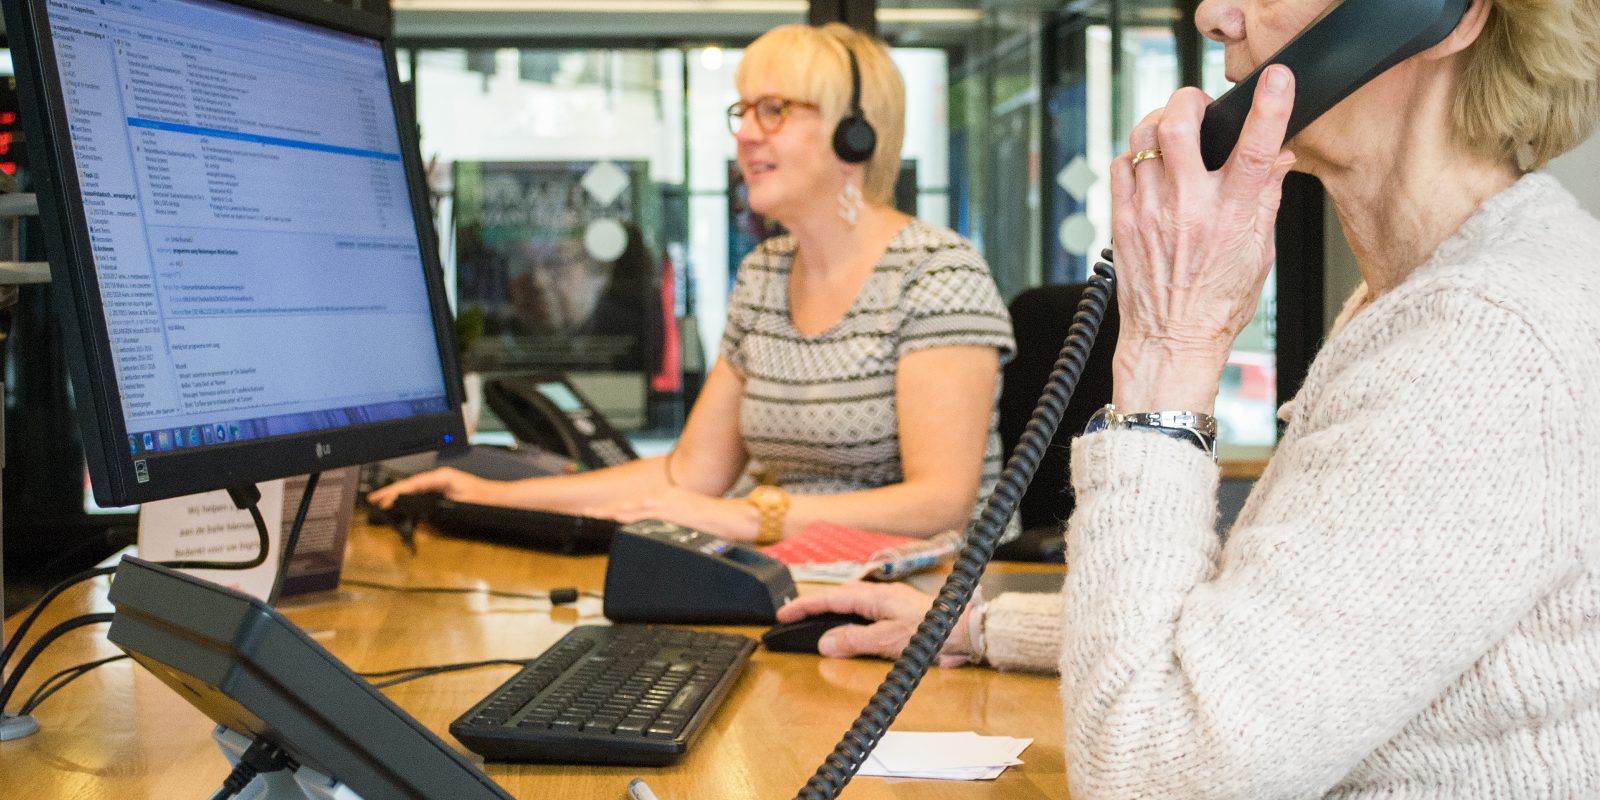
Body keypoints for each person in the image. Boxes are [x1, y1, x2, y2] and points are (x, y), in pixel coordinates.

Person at [779, 0, 1600, 795]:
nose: (1214, 14)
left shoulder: (1481, 346)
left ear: (1429, 11)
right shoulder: (1434, 296)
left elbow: (1152, 776)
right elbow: (1301, 641)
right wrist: (985, 626)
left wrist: (1172, 348)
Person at [372, 23, 1016, 545]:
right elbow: (689, 475)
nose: (745, 133)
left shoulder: (937, 272)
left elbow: (941, 502)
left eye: (775, 110)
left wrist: (752, 517)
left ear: (856, 133)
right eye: (743, 110)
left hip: (928, 605)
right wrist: (490, 492)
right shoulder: (765, 276)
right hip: (799, 575)